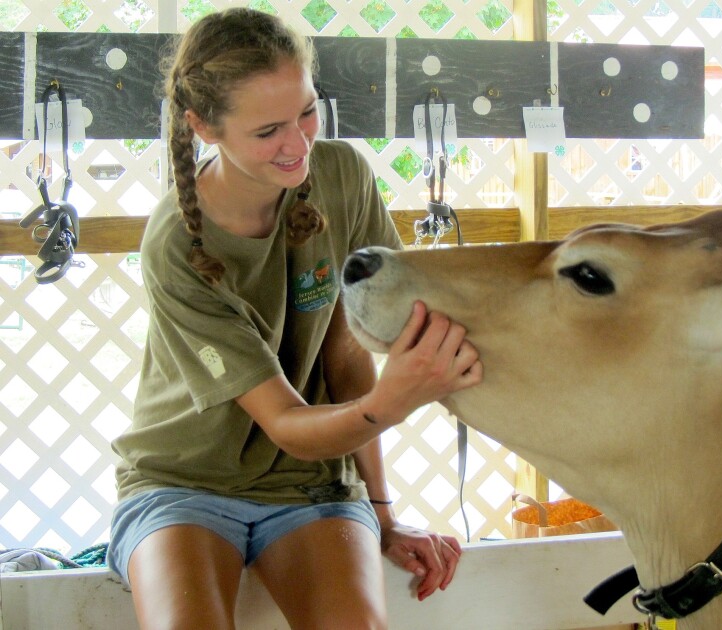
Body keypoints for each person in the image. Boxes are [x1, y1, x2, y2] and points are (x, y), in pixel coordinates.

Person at [105, 8, 483, 629]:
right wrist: (397, 400)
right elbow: (283, 420)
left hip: (312, 489)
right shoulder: (176, 243)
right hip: (182, 484)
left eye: (307, 111)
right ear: (204, 128)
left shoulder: (341, 176)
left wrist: (384, 515)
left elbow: (349, 354)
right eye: (268, 131)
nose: (298, 143)